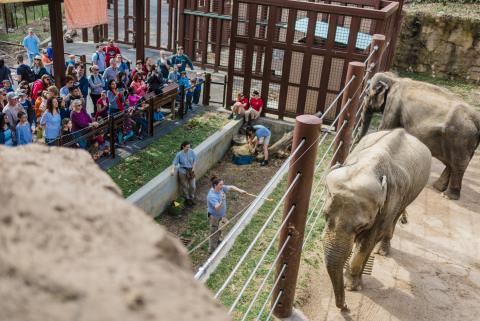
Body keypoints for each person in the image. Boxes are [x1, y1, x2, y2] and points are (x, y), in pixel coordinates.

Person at [207, 176, 247, 254]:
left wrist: (240, 190)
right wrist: (222, 199)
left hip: (221, 215)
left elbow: (231, 187)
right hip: (214, 217)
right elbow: (217, 208)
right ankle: (211, 250)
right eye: (221, 184)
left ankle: (218, 241)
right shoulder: (212, 196)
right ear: (215, 185)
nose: (223, 186)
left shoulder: (220, 189)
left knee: (221, 228)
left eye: (223, 184)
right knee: (214, 233)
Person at [171, 141, 197, 207]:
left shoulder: (191, 151)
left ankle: (192, 197)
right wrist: (172, 170)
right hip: (182, 171)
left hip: (191, 171)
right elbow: (174, 163)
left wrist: (193, 168)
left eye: (189, 147)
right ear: (183, 147)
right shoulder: (179, 154)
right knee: (185, 186)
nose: (189, 148)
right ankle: (187, 199)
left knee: (193, 186)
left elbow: (195, 160)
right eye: (187, 147)